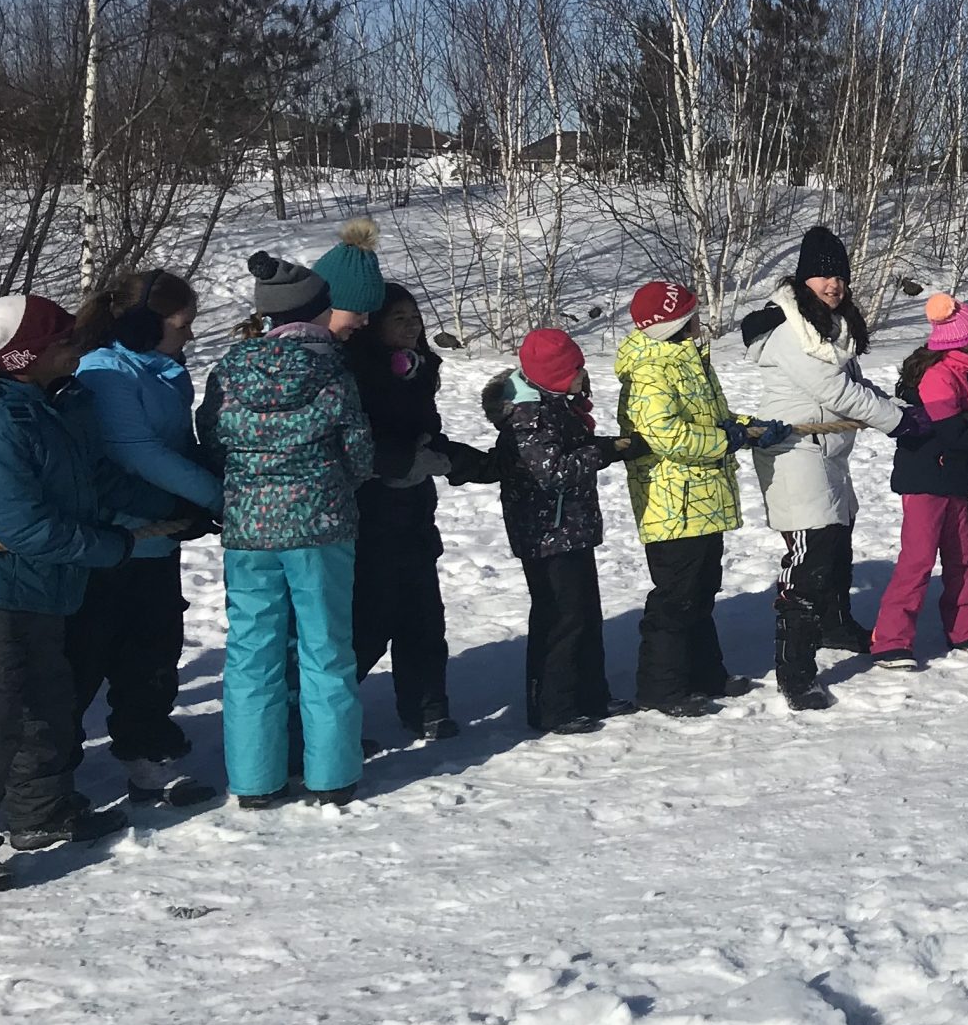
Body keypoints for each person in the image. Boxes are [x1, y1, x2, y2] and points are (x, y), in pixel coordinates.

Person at [0, 298, 178, 896]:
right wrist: (116, 547)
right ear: (24, 357)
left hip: (46, 583)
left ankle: (41, 811)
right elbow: (23, 526)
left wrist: (179, 507)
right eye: (64, 341)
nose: (77, 348)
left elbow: (95, 480)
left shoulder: (60, 405)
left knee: (51, 699)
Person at [198, 254, 377, 808]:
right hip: (320, 528)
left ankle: (253, 780)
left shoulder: (229, 369)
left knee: (252, 651)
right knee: (325, 648)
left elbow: (211, 441)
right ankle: (331, 774)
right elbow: (359, 454)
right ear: (320, 309)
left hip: (248, 531)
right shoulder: (330, 370)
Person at [66, 270, 222, 806]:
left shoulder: (164, 369)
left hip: (157, 540)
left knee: (153, 657)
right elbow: (137, 451)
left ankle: (148, 755)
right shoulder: (104, 371)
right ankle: (44, 778)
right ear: (141, 323)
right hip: (109, 544)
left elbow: (176, 443)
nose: (191, 335)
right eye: (183, 324)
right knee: (83, 661)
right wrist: (215, 496)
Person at [742, 227, 906, 709]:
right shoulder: (787, 331)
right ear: (803, 278)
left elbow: (854, 383)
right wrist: (899, 424)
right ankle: (795, 671)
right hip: (796, 454)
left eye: (839, 276)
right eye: (822, 275)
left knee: (837, 547)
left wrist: (898, 405)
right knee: (809, 562)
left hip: (829, 454)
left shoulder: (829, 327)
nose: (833, 284)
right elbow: (835, 393)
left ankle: (835, 625)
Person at [615, 281, 785, 717]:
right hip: (673, 504)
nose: (699, 321)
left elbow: (716, 420)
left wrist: (751, 427)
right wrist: (722, 440)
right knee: (676, 598)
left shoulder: (688, 360)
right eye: (691, 314)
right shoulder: (650, 371)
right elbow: (665, 434)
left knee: (701, 592)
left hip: (702, 500)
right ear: (673, 322)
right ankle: (661, 688)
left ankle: (705, 674)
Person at [347, 282, 490, 744]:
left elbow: (429, 438)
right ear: (374, 325)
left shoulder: (419, 369)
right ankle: (319, 721)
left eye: (415, 317)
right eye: (399, 318)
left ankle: (428, 708)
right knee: (368, 625)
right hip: (369, 516)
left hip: (413, 512)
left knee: (424, 617)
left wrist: (474, 463)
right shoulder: (358, 371)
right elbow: (365, 444)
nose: (411, 326)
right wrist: (414, 461)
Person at [481, 328, 640, 735]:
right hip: (546, 534)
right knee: (560, 619)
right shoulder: (529, 414)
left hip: (569, 528)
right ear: (552, 374)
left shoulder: (554, 406)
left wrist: (609, 445)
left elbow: (569, 450)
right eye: (575, 368)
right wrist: (602, 452)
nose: (582, 374)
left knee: (585, 614)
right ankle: (553, 706)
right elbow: (553, 472)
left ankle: (591, 694)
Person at [873, 295, 968, 663]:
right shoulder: (939, 374)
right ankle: (891, 640)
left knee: (961, 558)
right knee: (918, 560)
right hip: (925, 478)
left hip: (953, 477)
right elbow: (954, 434)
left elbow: (965, 420)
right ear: (961, 340)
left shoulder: (965, 370)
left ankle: (965, 629)